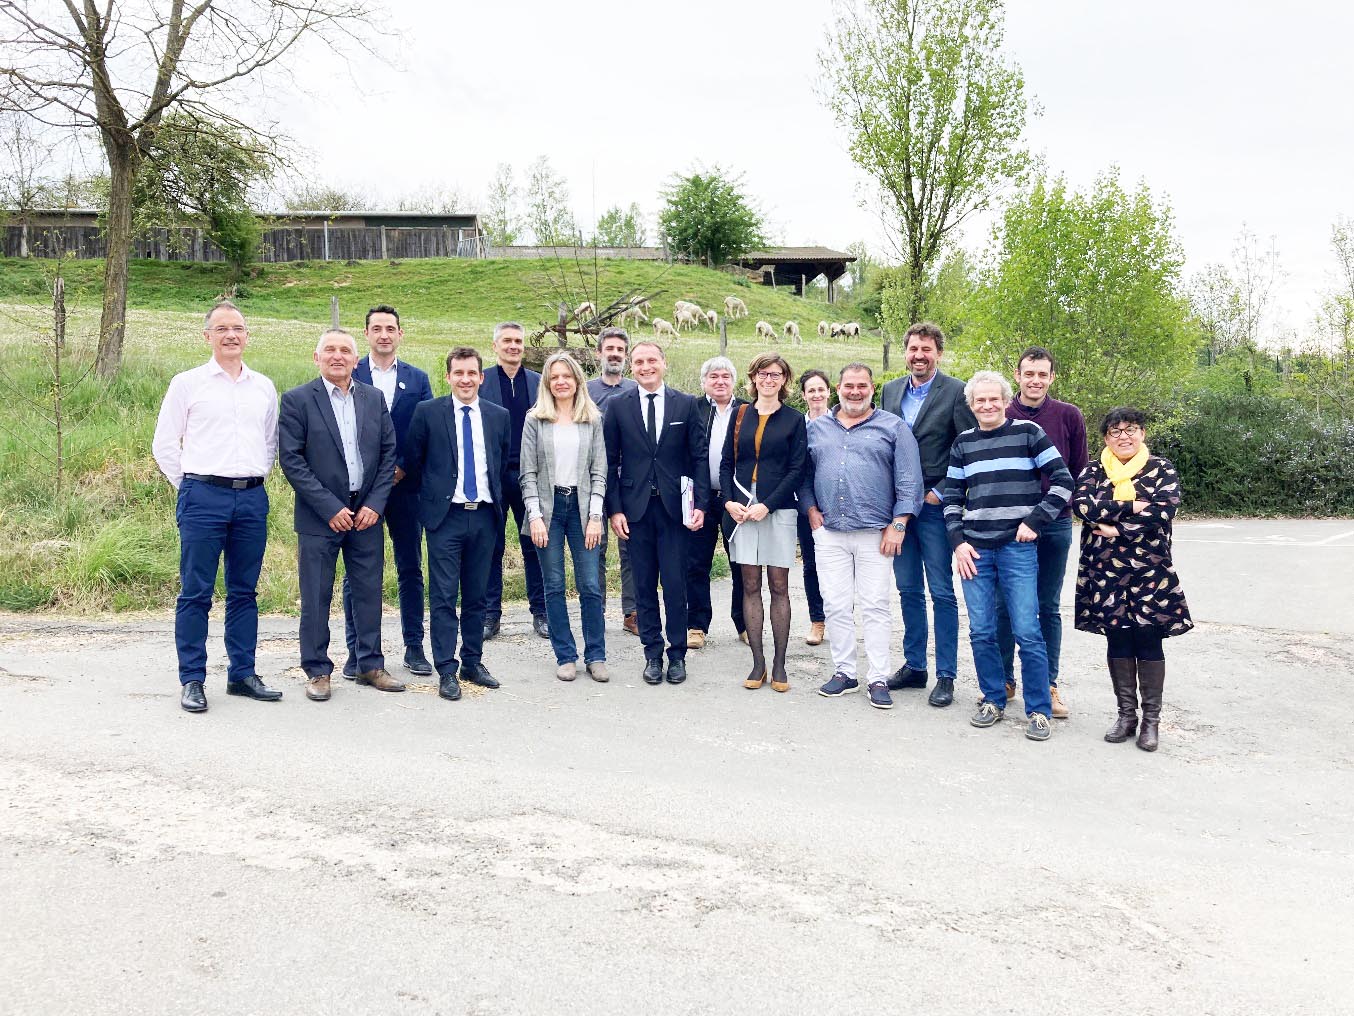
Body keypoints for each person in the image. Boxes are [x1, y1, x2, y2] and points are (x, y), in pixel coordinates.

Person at [152, 300, 281, 713]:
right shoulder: (187, 383)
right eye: (222, 328)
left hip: (250, 498)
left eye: (238, 328)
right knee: (196, 592)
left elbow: (270, 442)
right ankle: (192, 678)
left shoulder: (262, 386)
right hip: (203, 497)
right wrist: (190, 484)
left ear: (247, 336)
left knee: (244, 591)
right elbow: (164, 444)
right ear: (207, 336)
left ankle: (242, 673)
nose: (231, 335)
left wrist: (253, 478)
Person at [944, 371, 1073, 742]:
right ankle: (993, 699)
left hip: (1017, 549)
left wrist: (1035, 520)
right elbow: (953, 498)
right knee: (982, 630)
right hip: (975, 551)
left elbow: (1063, 481)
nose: (987, 405)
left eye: (993, 399)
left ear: (1004, 400)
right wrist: (957, 542)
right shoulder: (963, 444)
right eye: (979, 401)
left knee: (1027, 630)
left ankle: (1038, 710)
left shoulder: (1029, 433)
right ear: (971, 406)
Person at [279, 329, 400, 702]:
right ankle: (317, 669)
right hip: (320, 516)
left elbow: (387, 455)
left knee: (368, 591)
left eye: (345, 350)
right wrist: (329, 507)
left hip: (365, 515)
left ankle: (369, 664)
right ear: (316, 358)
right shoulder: (298, 400)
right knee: (316, 595)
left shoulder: (373, 398)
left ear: (356, 360)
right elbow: (292, 460)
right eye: (329, 350)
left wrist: (374, 505)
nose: (337, 356)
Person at [801, 363, 923, 710]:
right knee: (836, 605)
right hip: (829, 532)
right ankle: (845, 672)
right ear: (837, 387)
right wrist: (811, 510)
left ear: (872, 388)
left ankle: (879, 677)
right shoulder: (818, 428)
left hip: (876, 532)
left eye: (862, 386)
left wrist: (899, 523)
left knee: (875, 605)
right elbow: (803, 474)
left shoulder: (893, 427)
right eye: (849, 385)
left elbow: (909, 479)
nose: (855, 391)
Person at [1072, 407, 1192, 752]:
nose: (1123, 436)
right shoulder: (1094, 470)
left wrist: (1116, 526)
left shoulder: (1161, 468)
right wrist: (1134, 506)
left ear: (1142, 433)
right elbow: (1083, 506)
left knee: (1148, 639)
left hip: (1150, 571)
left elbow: (1163, 509)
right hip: (1104, 568)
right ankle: (1126, 715)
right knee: (1119, 639)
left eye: (1131, 429)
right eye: (1115, 431)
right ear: (1105, 438)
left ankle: (1151, 721)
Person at [404, 347, 511, 702]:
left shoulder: (498, 416)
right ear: (448, 377)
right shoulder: (428, 413)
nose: (465, 379)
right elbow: (415, 464)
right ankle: (446, 669)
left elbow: (501, 464)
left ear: (481, 377)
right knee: (445, 596)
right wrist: (432, 503)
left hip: (484, 515)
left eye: (472, 373)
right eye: (458, 373)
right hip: (445, 517)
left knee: (477, 594)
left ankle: (472, 661)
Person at [879, 322, 977, 707]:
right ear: (906, 352)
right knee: (907, 589)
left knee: (941, 592)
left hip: (935, 508)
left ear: (938, 353)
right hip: (898, 509)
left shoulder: (956, 392)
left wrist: (942, 492)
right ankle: (915, 665)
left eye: (927, 349)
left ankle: (947, 675)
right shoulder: (890, 390)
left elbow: (967, 448)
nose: (919, 355)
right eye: (913, 349)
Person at [603, 340, 708, 685]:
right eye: (639, 362)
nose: (645, 367)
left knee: (676, 583)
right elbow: (610, 462)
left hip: (675, 510)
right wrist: (614, 510)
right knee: (644, 585)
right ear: (632, 367)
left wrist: (701, 506)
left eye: (651, 360)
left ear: (663, 363)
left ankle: (677, 655)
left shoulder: (686, 404)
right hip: (635, 511)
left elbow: (699, 459)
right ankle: (652, 653)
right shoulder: (619, 406)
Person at [342, 304, 435, 679]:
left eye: (390, 328)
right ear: (366, 334)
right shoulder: (350, 372)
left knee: (410, 567)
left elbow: (425, 429)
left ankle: (414, 647)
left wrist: (402, 467)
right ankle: (358, 651)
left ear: (400, 334)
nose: (384, 334)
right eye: (377, 328)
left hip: (406, 487)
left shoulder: (418, 379)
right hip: (360, 491)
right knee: (359, 572)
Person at [994, 346, 1088, 718]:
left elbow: (1078, 470)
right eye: (1029, 373)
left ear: (1052, 378)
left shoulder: (1069, 416)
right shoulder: (1001, 412)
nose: (1035, 380)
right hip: (1007, 525)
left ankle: (1048, 685)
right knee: (1004, 605)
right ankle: (1003, 679)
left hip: (1054, 524)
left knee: (1047, 606)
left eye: (1042, 374)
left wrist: (1058, 512)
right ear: (1017, 375)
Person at [520, 352, 609, 683]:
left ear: (576, 381)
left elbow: (599, 471)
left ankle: (596, 655)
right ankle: (565, 655)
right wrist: (535, 517)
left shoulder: (592, 419)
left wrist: (596, 516)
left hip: (584, 510)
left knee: (590, 584)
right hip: (548, 510)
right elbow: (527, 473)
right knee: (554, 585)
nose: (561, 382)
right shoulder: (535, 420)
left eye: (566, 376)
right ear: (547, 382)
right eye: (554, 377)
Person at [721, 353, 807, 692]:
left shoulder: (793, 419)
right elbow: (726, 464)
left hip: (778, 510)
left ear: (784, 379)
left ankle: (779, 663)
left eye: (776, 374)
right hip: (742, 511)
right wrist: (728, 500)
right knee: (750, 585)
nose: (768, 379)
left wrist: (768, 505)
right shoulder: (740, 415)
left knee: (779, 586)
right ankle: (757, 662)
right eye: (762, 373)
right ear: (753, 377)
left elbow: (797, 469)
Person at [478, 322, 548, 640]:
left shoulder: (537, 382)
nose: (513, 346)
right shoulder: (483, 382)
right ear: (495, 346)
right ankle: (490, 615)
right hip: (492, 474)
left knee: (535, 542)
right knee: (490, 546)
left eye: (518, 341)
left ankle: (541, 612)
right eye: (507, 341)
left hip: (530, 473)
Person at [688, 355, 747, 649]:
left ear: (733, 381)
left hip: (736, 500)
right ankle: (697, 625)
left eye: (725, 376)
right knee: (697, 563)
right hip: (702, 498)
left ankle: (744, 623)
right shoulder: (694, 409)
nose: (720, 381)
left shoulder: (747, 409)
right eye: (713, 377)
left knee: (740, 564)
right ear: (704, 382)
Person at [587, 327, 639, 636]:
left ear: (626, 355)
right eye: (610, 348)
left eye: (620, 349)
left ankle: (632, 612)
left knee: (630, 549)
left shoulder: (636, 389)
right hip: (592, 480)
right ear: (599, 353)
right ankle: (596, 609)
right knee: (594, 547)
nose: (615, 353)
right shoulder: (586, 391)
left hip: (627, 482)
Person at [796, 369, 832, 646]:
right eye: (811, 390)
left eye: (821, 389)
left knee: (843, 567)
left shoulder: (841, 422)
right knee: (812, 564)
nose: (817, 395)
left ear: (829, 392)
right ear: (804, 395)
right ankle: (817, 620)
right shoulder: (799, 426)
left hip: (839, 504)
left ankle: (841, 618)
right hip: (805, 505)